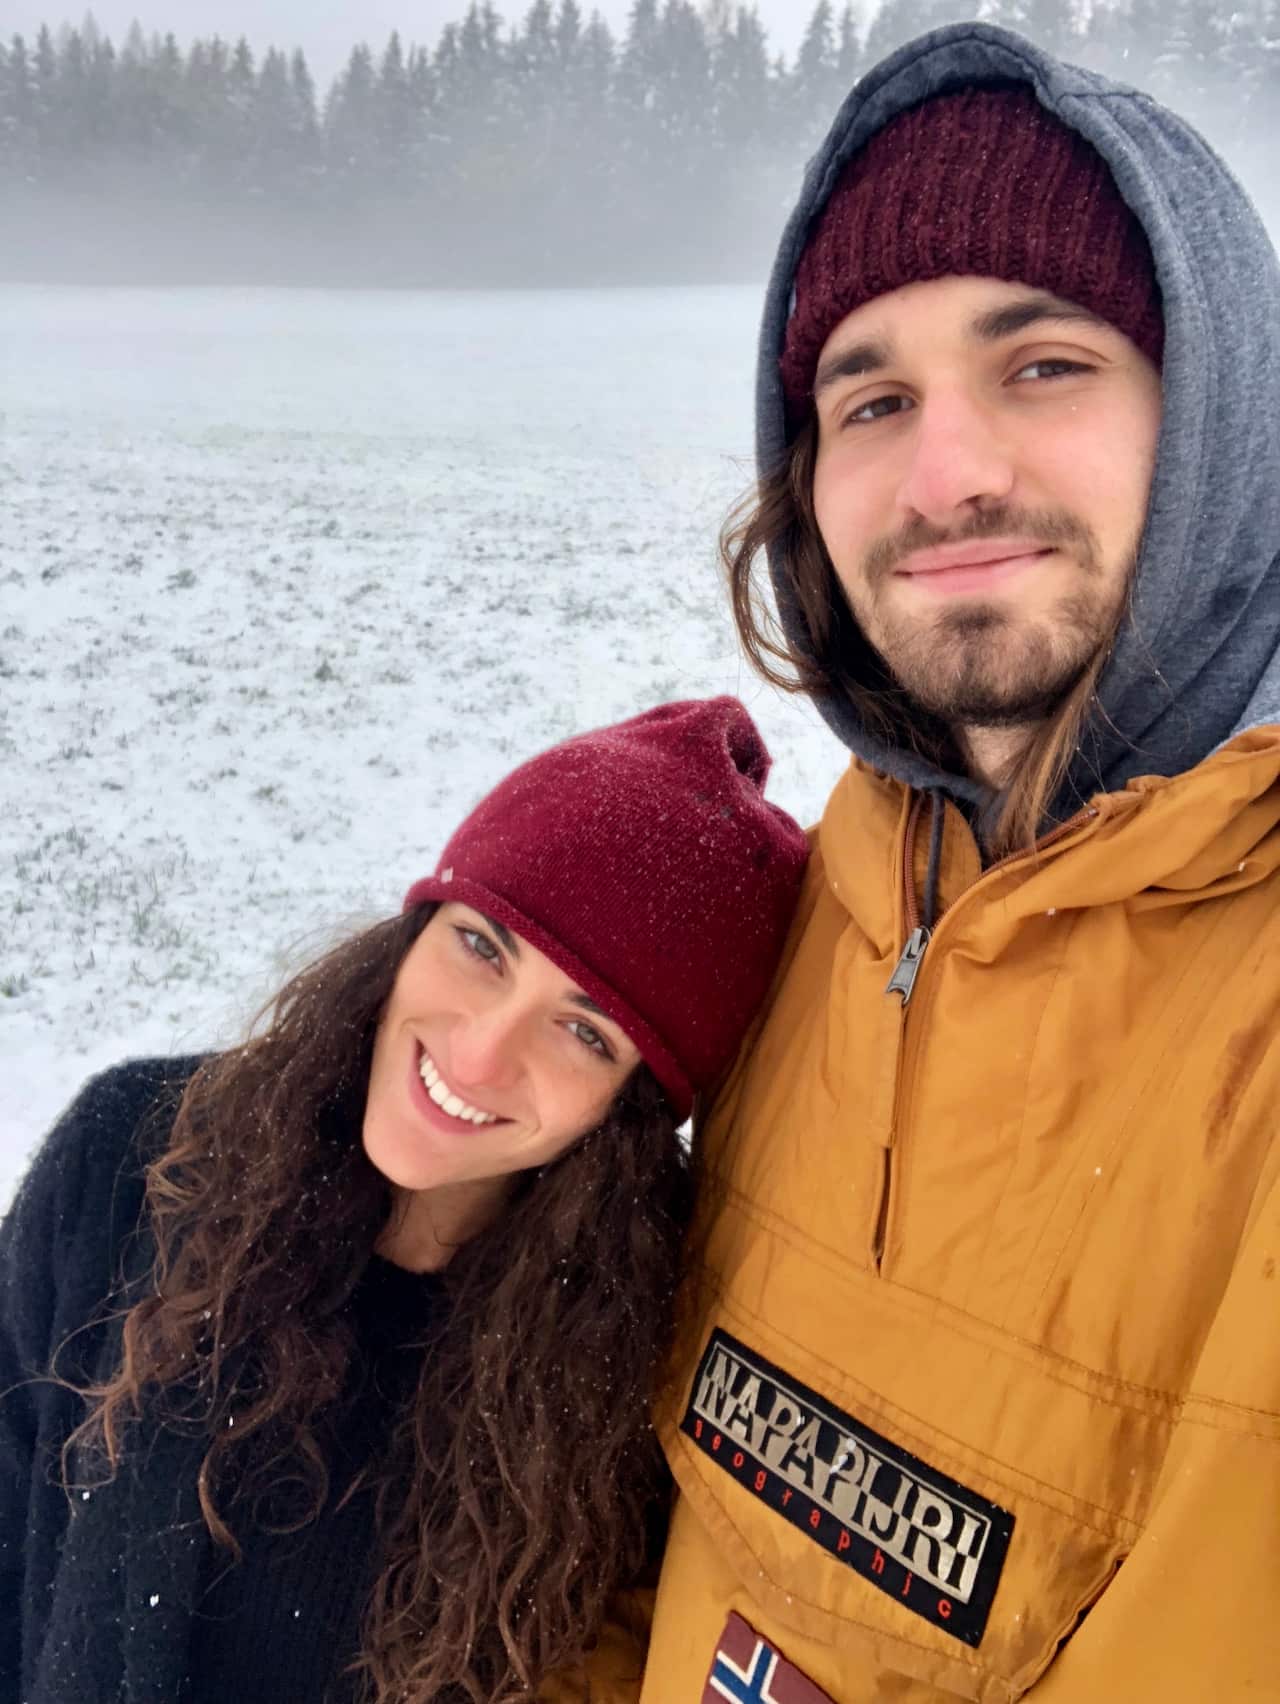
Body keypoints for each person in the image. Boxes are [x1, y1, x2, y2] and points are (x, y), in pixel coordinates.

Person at [635, 21, 1280, 1704]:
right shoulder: (827, 897)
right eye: (872, 399)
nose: (947, 475)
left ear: (1222, 409)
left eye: (1045, 363)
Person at [0, 698, 808, 1704]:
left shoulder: (631, 1373)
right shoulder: (134, 1160)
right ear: (416, 930)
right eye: (483, 947)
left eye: (584, 1032)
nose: (478, 1053)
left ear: (630, 1109)